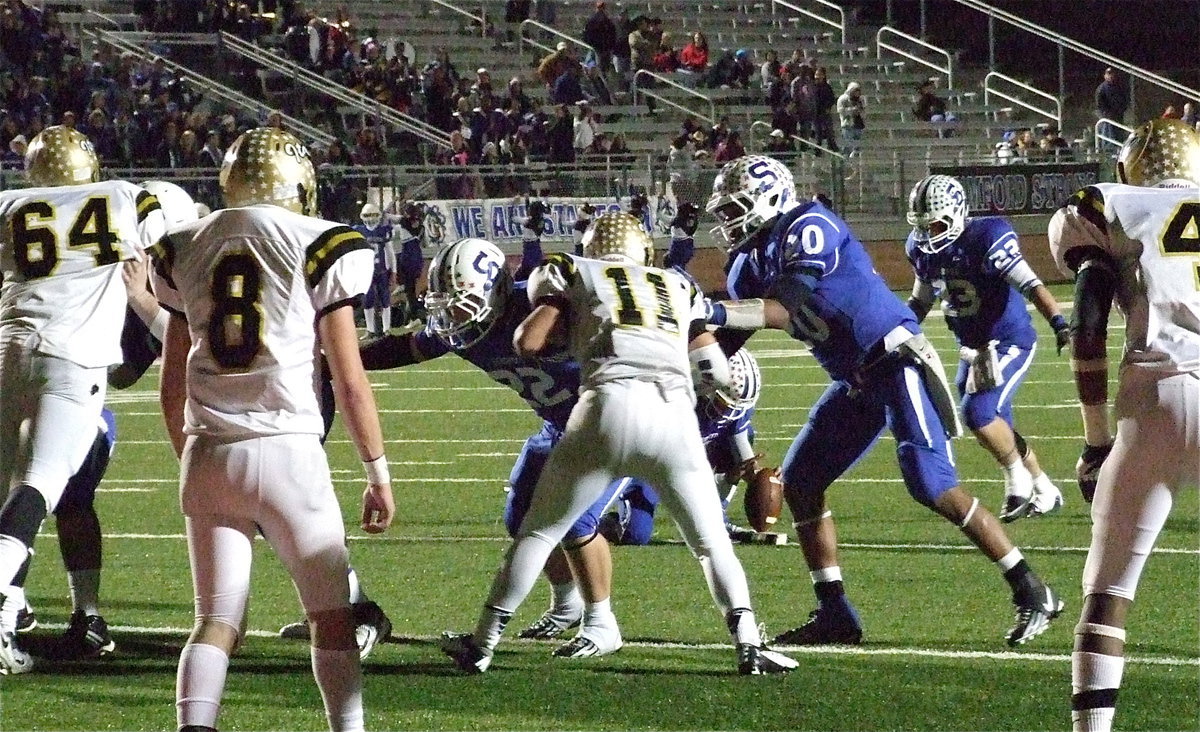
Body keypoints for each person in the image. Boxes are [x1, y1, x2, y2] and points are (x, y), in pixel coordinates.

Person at [704, 155, 1064, 648]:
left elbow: (782, 307)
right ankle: (835, 613)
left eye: (735, 208)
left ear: (769, 199)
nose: (727, 221)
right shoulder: (748, 262)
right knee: (802, 482)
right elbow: (726, 339)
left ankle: (1033, 590)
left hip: (894, 361)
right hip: (854, 379)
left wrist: (706, 309)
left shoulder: (809, 224)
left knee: (931, 484)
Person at [440, 213, 799, 675]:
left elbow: (528, 340)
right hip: (673, 418)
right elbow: (714, 369)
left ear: (591, 248)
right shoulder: (676, 283)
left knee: (540, 533)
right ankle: (748, 643)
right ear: (643, 252)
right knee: (711, 545)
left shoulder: (571, 269)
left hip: (604, 408)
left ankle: (482, 645)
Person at [152, 127, 394, 731]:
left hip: (208, 449)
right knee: (331, 618)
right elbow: (349, 379)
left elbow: (172, 386)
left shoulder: (183, 244)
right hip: (288, 450)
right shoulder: (320, 241)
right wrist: (377, 473)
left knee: (215, 621)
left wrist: (193, 460)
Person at [359, 237, 644, 658]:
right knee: (521, 514)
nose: (452, 317)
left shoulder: (545, 309)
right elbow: (407, 347)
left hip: (611, 425)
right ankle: (567, 603)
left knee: (575, 518)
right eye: (444, 306)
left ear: (495, 293)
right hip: (559, 426)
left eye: (461, 305)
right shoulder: (462, 328)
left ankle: (602, 622)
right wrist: (340, 358)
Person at [1048, 118, 1200, 732]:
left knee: (1108, 594)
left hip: (1157, 395)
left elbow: (1087, 325)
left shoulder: (1110, 203)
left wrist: (1095, 443)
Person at [0, 125, 166, 675]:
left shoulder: (8, 205)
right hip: (70, 358)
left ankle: (12, 620)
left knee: (9, 494)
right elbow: (166, 247)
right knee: (39, 485)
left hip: (8, 351)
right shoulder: (124, 196)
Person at [904, 174, 1068, 522]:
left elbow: (1031, 284)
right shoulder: (921, 250)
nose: (928, 234)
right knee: (997, 427)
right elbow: (920, 301)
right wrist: (896, 331)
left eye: (935, 225)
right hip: (971, 350)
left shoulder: (986, 237)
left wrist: (1059, 322)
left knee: (977, 413)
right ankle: (1044, 489)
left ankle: (1017, 481)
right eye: (922, 226)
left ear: (956, 213)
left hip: (1009, 342)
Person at [600, 349, 785, 546]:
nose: (729, 413)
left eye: (737, 407)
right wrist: (724, 478)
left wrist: (757, 476)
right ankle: (596, 522)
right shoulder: (669, 404)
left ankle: (717, 521)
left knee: (743, 435)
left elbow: (740, 448)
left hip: (679, 458)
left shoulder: (735, 408)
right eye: (724, 404)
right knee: (635, 534)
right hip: (645, 464)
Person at [353, 202, 397, 338]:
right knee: (368, 300)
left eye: (373, 214)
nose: (371, 218)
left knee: (385, 299)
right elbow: (355, 253)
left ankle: (387, 329)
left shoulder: (384, 231)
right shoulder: (358, 231)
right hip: (366, 271)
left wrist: (394, 271)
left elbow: (390, 252)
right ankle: (370, 330)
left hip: (382, 269)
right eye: (368, 215)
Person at [393, 202, 427, 327]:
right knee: (411, 290)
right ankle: (413, 317)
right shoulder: (421, 226)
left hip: (409, 255)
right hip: (416, 255)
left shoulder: (404, 222)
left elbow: (389, 217)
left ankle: (414, 317)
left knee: (410, 291)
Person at [1094, 67, 1128, 151]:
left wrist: (1122, 109)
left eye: (1112, 74)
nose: (1110, 76)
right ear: (1105, 76)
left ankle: (1118, 150)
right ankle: (1108, 150)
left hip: (1118, 115)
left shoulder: (1119, 86)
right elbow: (1099, 103)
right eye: (1108, 74)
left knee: (1119, 134)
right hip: (1107, 117)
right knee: (1108, 134)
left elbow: (1125, 99)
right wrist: (1106, 113)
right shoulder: (1102, 88)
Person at [837, 81, 865, 157]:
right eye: (855, 90)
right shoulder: (843, 98)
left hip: (859, 124)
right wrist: (852, 110)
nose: (857, 93)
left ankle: (855, 159)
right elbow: (840, 110)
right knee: (848, 145)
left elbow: (864, 109)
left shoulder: (861, 99)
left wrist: (860, 111)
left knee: (857, 147)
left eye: (858, 90)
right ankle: (845, 158)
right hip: (848, 125)